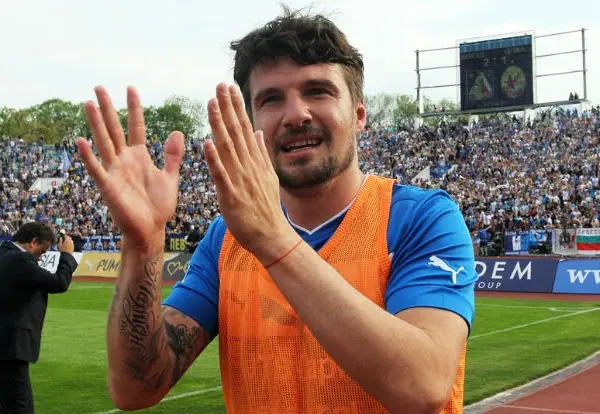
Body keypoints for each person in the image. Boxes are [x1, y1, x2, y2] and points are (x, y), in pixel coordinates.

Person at [75, 7, 476, 413]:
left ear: (358, 114)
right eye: (271, 99)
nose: (296, 114)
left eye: (318, 91)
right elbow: (137, 389)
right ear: (252, 124)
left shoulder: (421, 218)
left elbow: (422, 386)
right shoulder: (225, 238)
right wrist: (143, 246)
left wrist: (273, 239)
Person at [0, 222, 78, 414]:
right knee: (20, 405)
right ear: (33, 242)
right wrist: (67, 255)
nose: (41, 257)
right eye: (42, 251)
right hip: (12, 344)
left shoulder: (4, 254)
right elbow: (59, 283)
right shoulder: (20, 259)